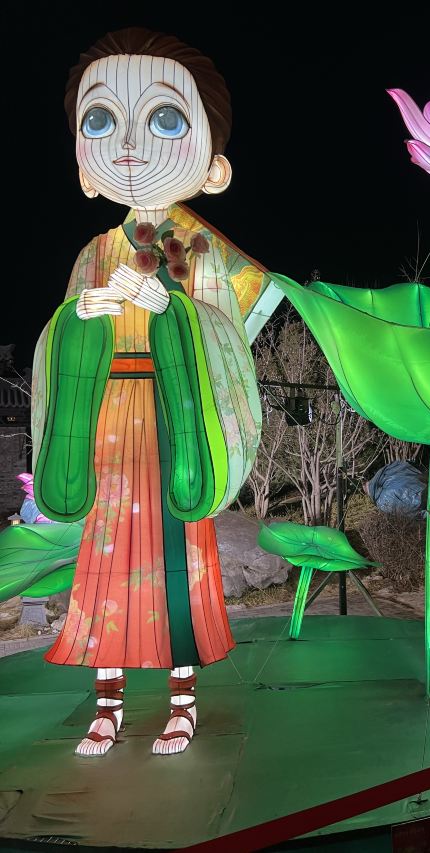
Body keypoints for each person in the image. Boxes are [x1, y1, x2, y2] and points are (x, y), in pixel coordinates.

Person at [30, 28, 273, 757]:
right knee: (105, 559)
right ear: (83, 167)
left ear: (215, 167)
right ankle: (106, 704)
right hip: (106, 424)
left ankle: (181, 701)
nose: (129, 144)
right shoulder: (94, 253)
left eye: (165, 119)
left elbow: (227, 345)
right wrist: (80, 317)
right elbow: (59, 345)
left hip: (176, 426)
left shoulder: (201, 254)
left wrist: (175, 311)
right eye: (101, 121)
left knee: (175, 560)